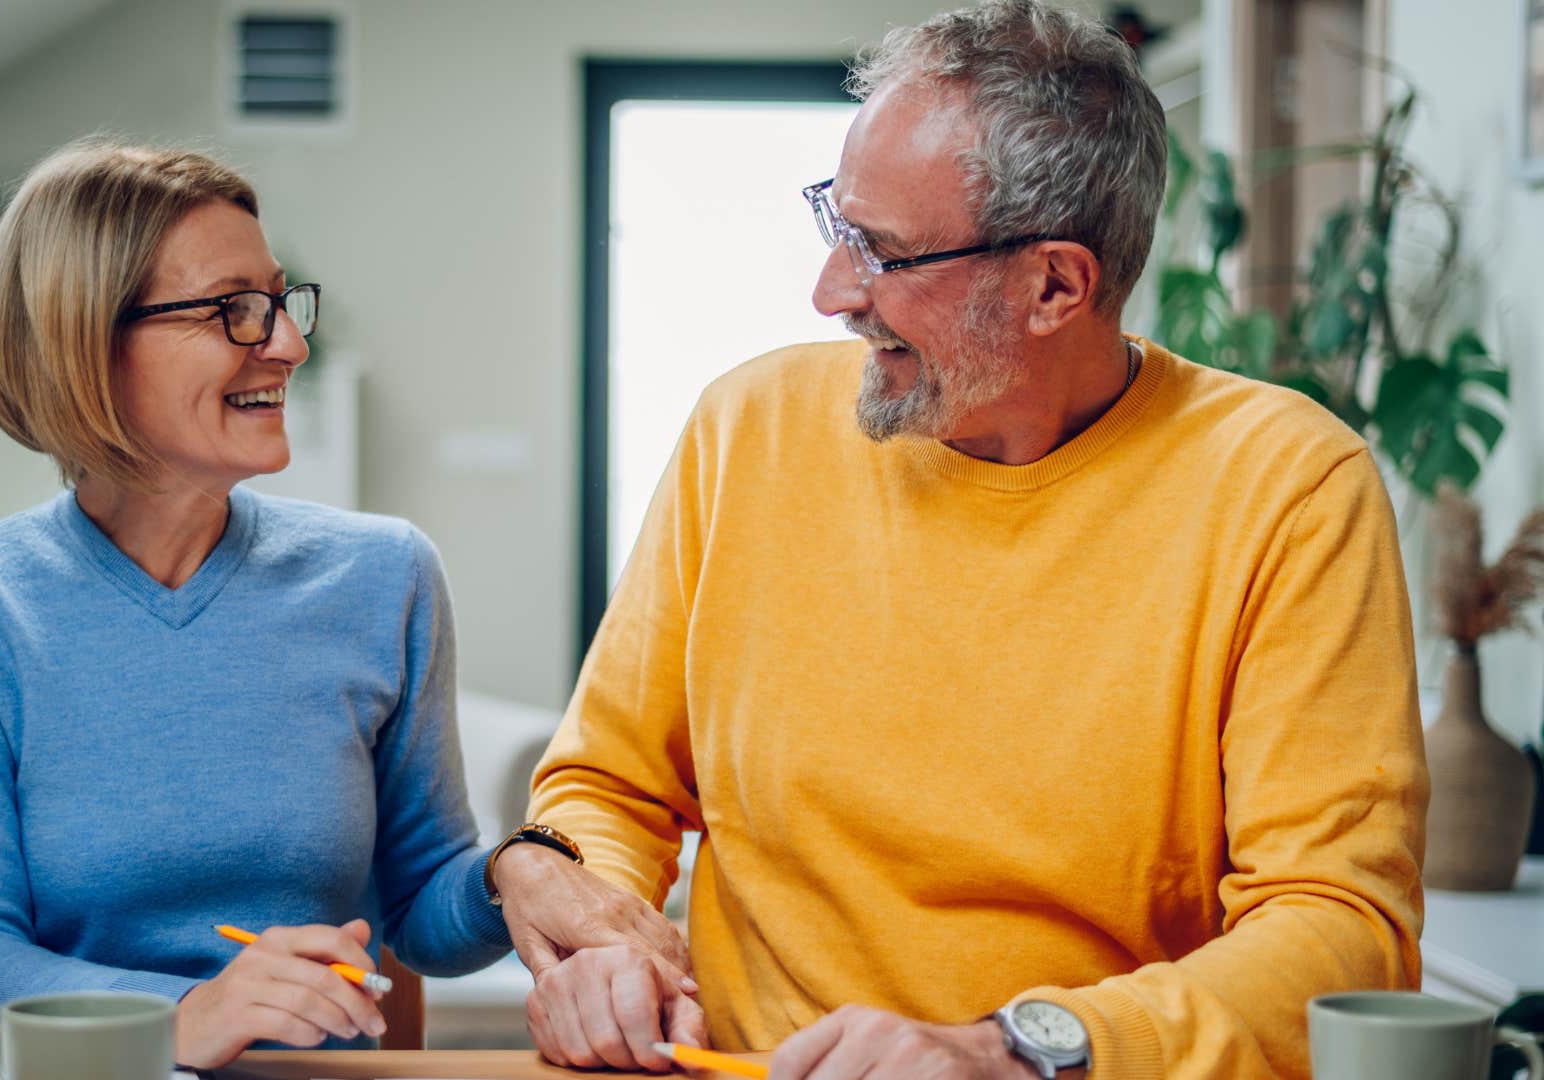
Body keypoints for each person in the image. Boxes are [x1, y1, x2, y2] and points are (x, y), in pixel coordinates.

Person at [489, 3, 1427, 1078]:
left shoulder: (1289, 488)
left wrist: (1011, 1053)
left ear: (1055, 286)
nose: (832, 292)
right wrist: (603, 936)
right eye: (836, 228)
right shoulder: (746, 428)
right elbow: (609, 786)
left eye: (882, 254)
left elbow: (1343, 932)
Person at [0, 141, 511, 1070]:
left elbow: (424, 908)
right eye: (235, 311)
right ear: (85, 338)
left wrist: (519, 875)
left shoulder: (386, 575)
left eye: (282, 302)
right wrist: (191, 1012)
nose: (290, 344)